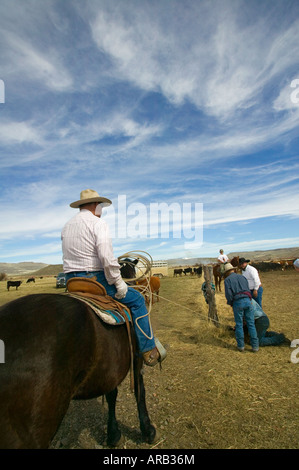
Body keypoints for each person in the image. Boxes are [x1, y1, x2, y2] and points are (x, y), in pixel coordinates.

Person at [61, 189, 166, 367]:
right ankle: (148, 350)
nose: (101, 208)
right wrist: (119, 283)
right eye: (101, 205)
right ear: (95, 205)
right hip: (94, 280)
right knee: (138, 300)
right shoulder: (98, 223)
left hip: (72, 282)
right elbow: (106, 258)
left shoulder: (67, 226)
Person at [224, 263, 259, 352]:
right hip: (248, 300)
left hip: (237, 302)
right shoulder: (242, 277)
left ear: (227, 272)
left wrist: (231, 302)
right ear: (234, 270)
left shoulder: (227, 280)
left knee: (239, 324)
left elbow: (228, 294)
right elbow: (247, 289)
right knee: (251, 323)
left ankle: (241, 346)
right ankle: (255, 346)